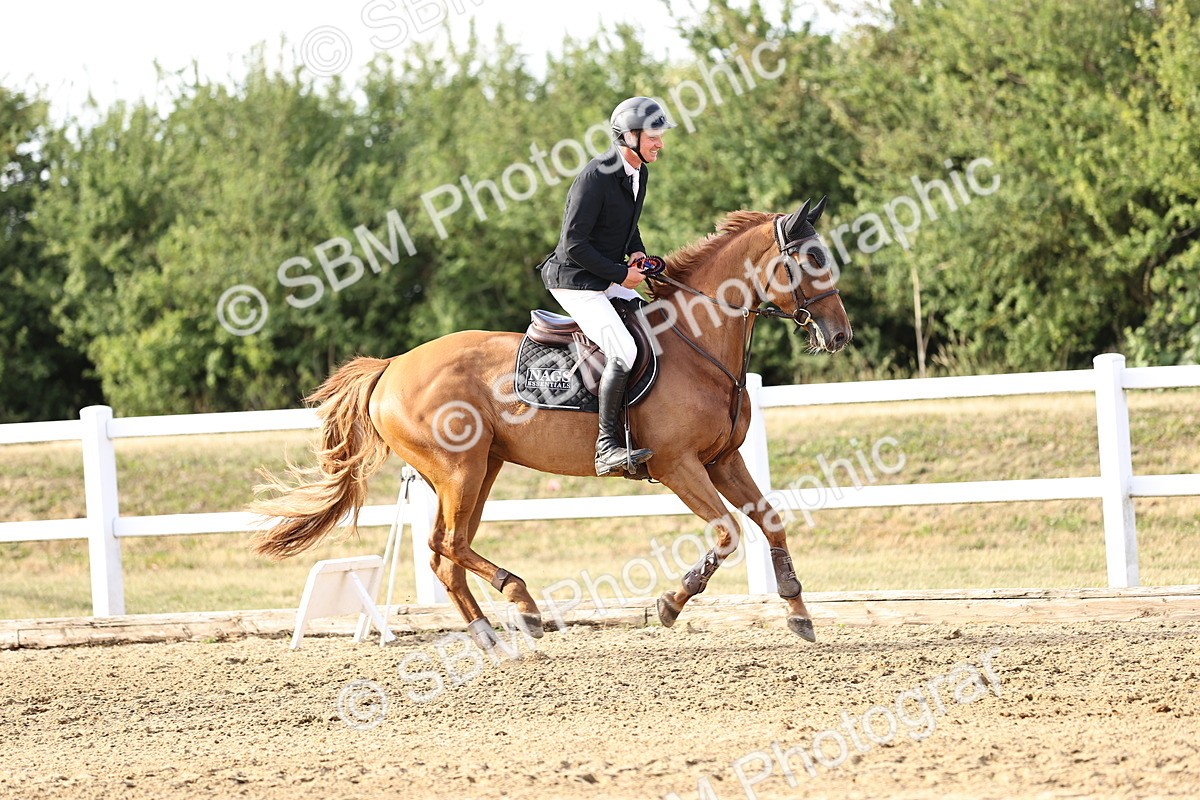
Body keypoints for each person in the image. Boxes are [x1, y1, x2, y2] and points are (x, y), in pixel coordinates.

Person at [536, 96, 676, 476]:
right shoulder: (595, 177)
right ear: (628, 136)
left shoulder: (638, 173)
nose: (660, 142)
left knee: (658, 328)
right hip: (576, 281)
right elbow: (574, 245)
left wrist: (637, 254)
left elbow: (629, 229)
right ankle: (606, 446)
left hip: (606, 275)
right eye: (653, 136)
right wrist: (620, 275)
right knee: (625, 349)